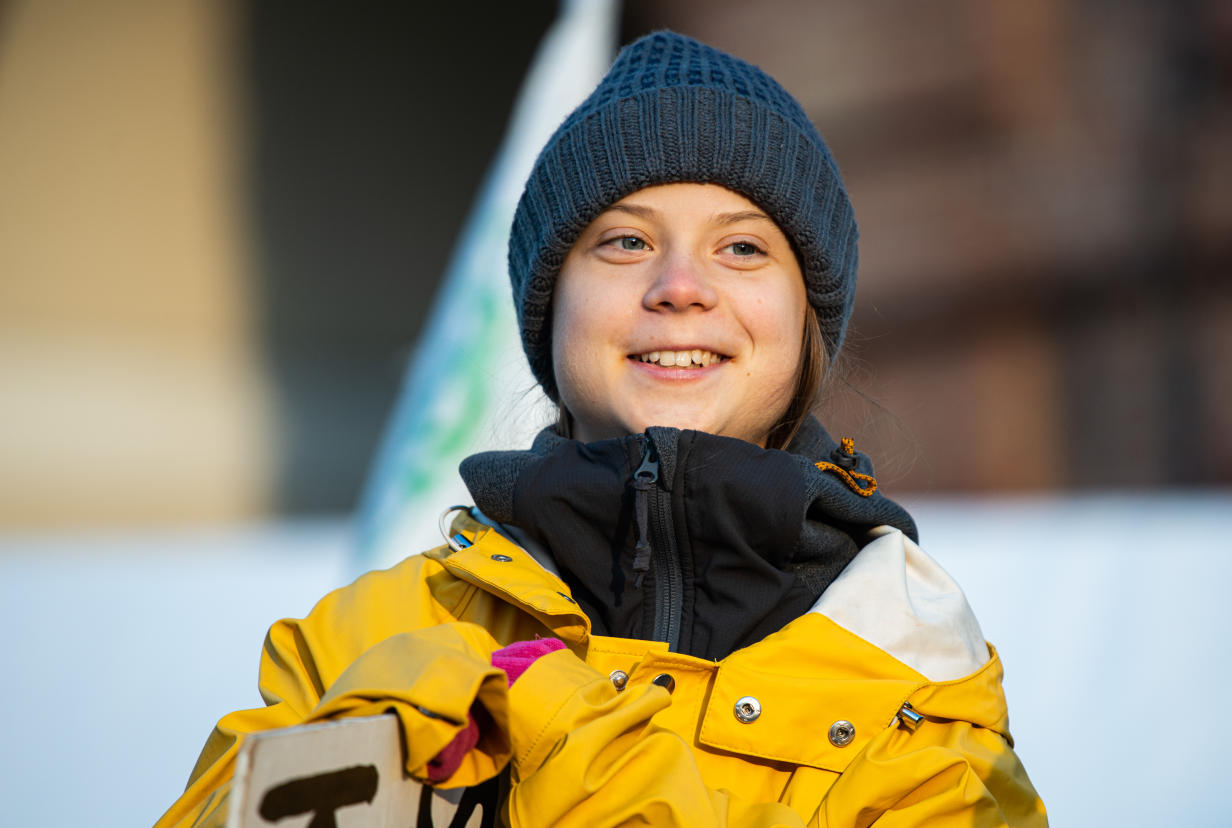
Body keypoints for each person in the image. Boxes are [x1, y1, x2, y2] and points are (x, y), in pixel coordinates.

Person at [158, 31, 1046, 827]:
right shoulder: (373, 633)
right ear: (550, 310)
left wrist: (559, 730)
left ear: (806, 319)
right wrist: (339, 773)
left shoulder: (922, 678)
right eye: (624, 242)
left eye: (742, 247)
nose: (680, 286)